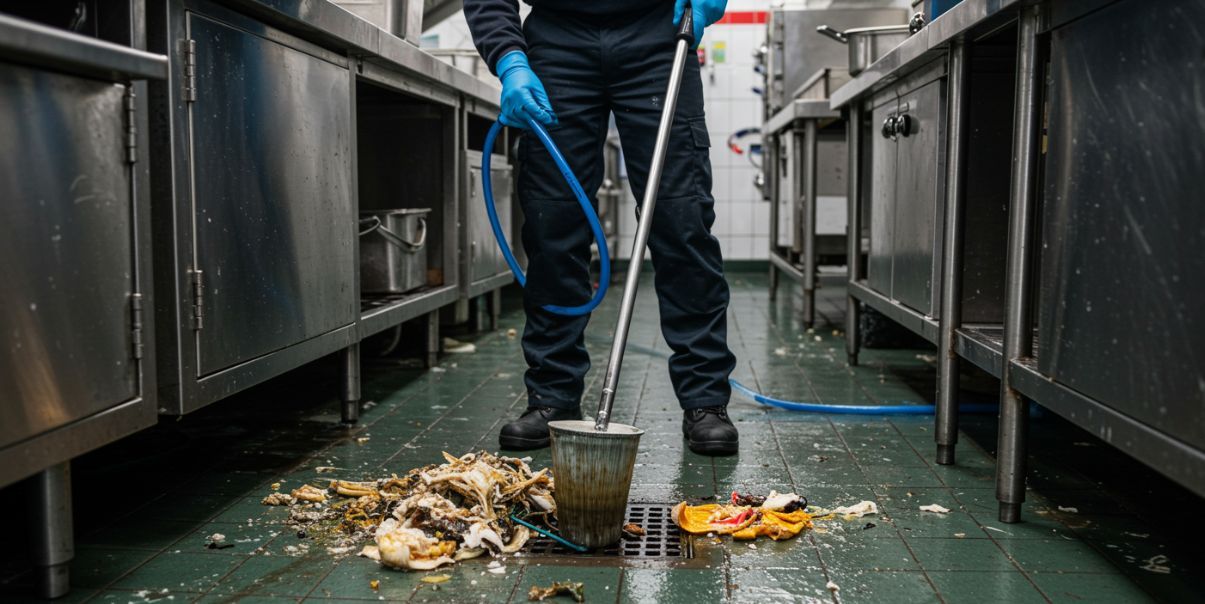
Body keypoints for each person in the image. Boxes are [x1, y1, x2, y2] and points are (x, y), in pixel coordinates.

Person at [464, 0, 738, 455]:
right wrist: (510, 61)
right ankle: (553, 396)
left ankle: (705, 400)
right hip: (554, 41)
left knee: (680, 219)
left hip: (659, 35)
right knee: (553, 225)